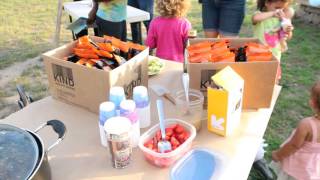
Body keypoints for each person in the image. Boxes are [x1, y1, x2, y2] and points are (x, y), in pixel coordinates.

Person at [270, 81, 320, 180]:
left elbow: (293, 146)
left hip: (298, 166)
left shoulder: (306, 125)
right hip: (314, 166)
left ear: (313, 102)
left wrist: (278, 155)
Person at [252, 0, 294, 82]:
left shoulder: (283, 19)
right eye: (277, 8)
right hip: (258, 54)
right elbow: (255, 18)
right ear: (267, 3)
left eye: (283, 8)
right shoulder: (260, 15)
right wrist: (272, 13)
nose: (280, 11)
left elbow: (287, 37)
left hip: (274, 55)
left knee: (273, 79)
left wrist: (288, 31)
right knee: (256, 76)